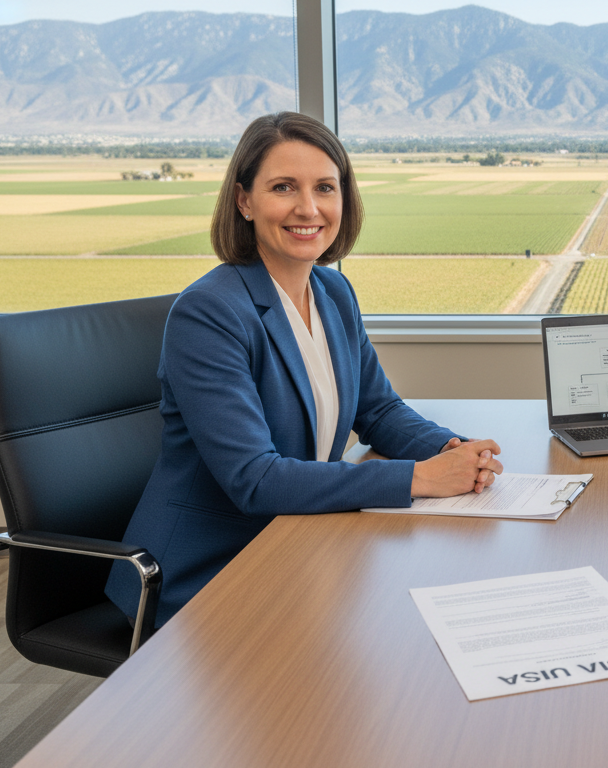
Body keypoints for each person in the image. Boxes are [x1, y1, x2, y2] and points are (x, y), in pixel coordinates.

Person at [105, 112, 503, 627]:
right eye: (283, 187)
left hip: (300, 540)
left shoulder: (333, 291)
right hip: (207, 574)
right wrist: (420, 478)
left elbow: (378, 411)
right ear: (244, 200)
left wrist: (451, 451)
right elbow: (255, 480)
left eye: (325, 188)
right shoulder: (209, 313)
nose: (308, 208)